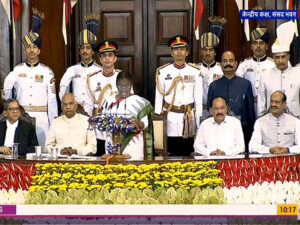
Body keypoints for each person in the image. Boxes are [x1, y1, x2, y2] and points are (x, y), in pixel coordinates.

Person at [3, 8, 58, 146]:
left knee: (42, 153)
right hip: (21, 118)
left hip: (42, 119)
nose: (31, 50)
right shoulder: (17, 70)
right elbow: (7, 96)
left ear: (39, 50)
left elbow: (52, 102)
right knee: (21, 153)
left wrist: (53, 125)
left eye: (34, 47)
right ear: (25, 50)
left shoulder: (47, 72)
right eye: (28, 47)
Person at [155, 35, 203, 156]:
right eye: (176, 49)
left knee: (188, 153)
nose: (179, 52)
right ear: (171, 53)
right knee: (169, 152)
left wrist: (198, 124)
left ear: (187, 52)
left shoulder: (195, 72)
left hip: (188, 118)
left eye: (182, 49)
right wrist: (159, 122)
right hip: (169, 118)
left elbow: (198, 100)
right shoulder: (163, 72)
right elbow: (159, 97)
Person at [207, 51, 255, 152]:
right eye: (224, 61)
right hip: (219, 130)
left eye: (231, 61)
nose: (228, 63)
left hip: (242, 129)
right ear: (220, 64)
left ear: (236, 63)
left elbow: (250, 111)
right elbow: (210, 111)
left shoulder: (245, 84)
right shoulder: (214, 86)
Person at [101, 71, 153, 160]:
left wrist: (136, 122)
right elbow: (102, 121)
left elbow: (145, 124)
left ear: (131, 85)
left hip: (133, 145)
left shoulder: (140, 102)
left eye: (127, 86)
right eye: (121, 86)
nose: (124, 89)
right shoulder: (107, 101)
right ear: (116, 85)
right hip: (111, 145)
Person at [59, 14, 101, 114]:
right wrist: (67, 104)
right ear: (79, 51)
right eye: (82, 48)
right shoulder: (72, 70)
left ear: (93, 51)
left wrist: (97, 109)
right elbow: (63, 87)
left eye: (88, 48)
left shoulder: (99, 70)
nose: (85, 51)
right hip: (75, 113)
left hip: (93, 113)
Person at [257, 21, 300, 117]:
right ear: (273, 58)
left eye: (283, 56)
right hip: (271, 121)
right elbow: (261, 103)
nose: (280, 61)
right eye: (277, 57)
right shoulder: (265, 75)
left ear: (288, 56)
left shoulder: (297, 73)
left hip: (295, 121)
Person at [86, 40, 121, 156]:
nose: (107, 58)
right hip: (98, 126)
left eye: (110, 55)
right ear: (100, 59)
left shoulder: (123, 78)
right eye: (104, 56)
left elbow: (129, 103)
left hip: (117, 124)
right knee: (99, 158)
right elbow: (88, 105)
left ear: (115, 58)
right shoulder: (92, 79)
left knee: (117, 161)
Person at [236, 26, 275, 115]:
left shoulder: (272, 65)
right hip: (248, 105)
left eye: (261, 43)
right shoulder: (244, 65)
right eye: (255, 43)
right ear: (251, 46)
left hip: (268, 105)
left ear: (267, 46)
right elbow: (237, 87)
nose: (258, 46)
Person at [198, 16, 225, 108]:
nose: (208, 53)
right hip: (199, 109)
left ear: (215, 52)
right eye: (205, 50)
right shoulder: (196, 69)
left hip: (217, 109)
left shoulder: (222, 69)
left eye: (211, 50)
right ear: (201, 52)